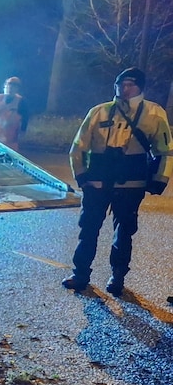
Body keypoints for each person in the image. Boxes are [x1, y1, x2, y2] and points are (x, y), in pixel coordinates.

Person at [62, 67, 171, 295]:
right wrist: (82, 177)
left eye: (130, 84)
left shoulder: (153, 113)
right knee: (88, 229)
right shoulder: (99, 112)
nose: (124, 88)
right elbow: (78, 147)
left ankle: (118, 277)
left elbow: (166, 151)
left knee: (124, 232)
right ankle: (80, 273)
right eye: (120, 83)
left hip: (131, 185)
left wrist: (158, 180)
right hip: (97, 183)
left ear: (140, 87)